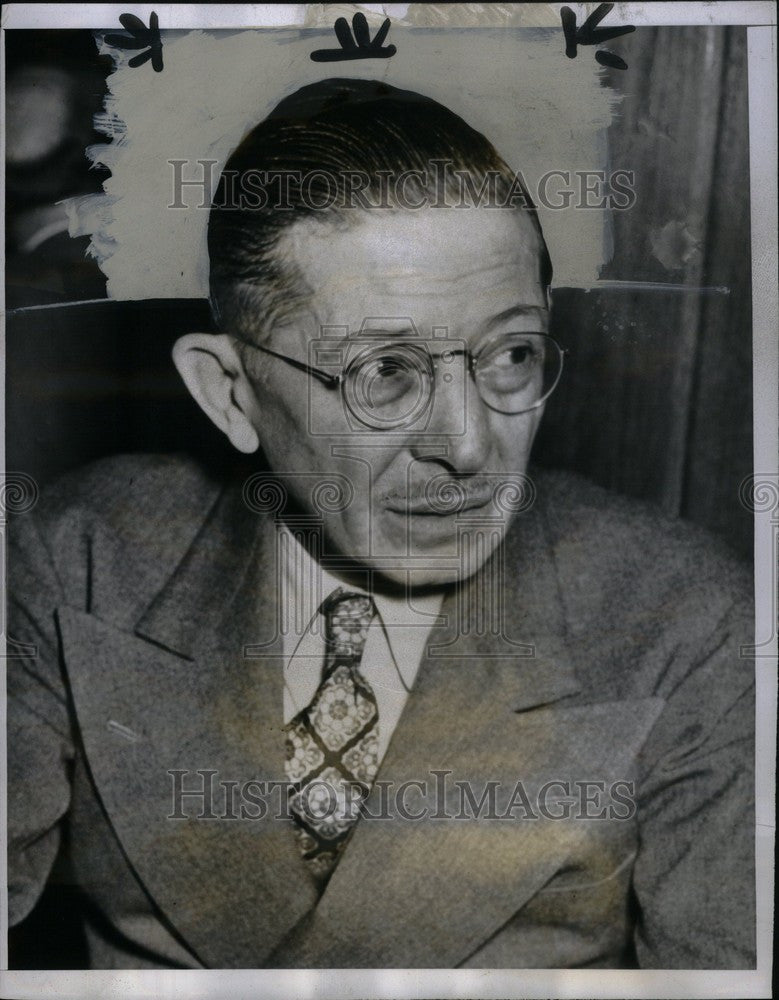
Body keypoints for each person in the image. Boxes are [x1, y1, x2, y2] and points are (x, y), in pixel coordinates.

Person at [6, 78, 755, 969]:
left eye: (510, 355)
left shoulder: (679, 614)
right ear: (230, 392)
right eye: (385, 373)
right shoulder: (78, 558)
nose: (469, 445)